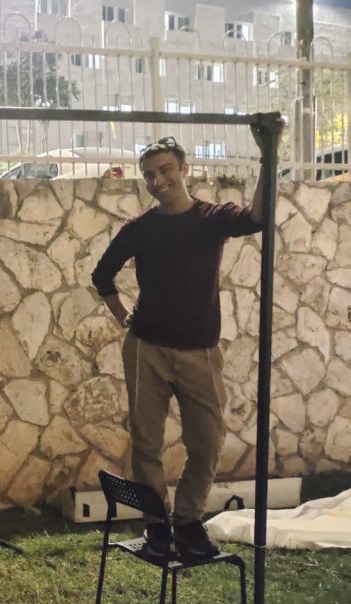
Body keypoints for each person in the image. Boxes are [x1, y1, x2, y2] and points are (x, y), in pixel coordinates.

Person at [90, 124, 279, 560]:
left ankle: (189, 521)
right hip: (146, 350)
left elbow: (258, 217)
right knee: (147, 444)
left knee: (208, 442)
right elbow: (102, 276)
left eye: (166, 170)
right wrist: (123, 317)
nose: (159, 181)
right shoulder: (139, 228)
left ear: (184, 170)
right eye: (150, 175)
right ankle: (158, 527)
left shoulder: (211, 219)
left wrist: (268, 153)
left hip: (200, 351)